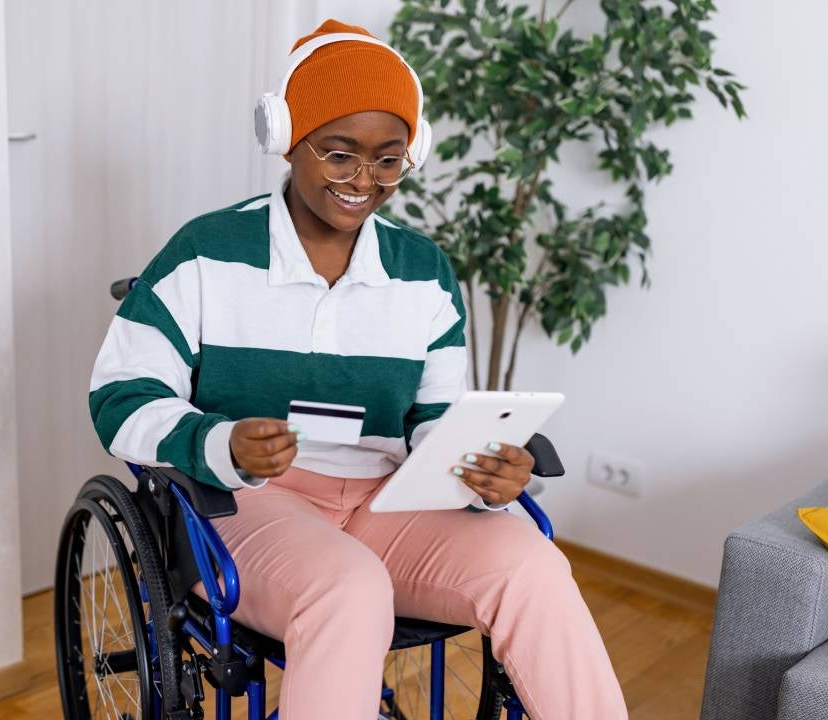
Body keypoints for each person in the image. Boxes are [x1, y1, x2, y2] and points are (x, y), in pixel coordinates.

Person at [89, 18, 627, 719]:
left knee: (534, 567)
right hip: (249, 505)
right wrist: (221, 443)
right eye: (338, 154)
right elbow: (121, 399)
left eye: (387, 159)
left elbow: (435, 419)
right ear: (287, 139)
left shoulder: (423, 271)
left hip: (390, 500)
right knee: (350, 589)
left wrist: (482, 471)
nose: (363, 181)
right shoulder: (204, 253)